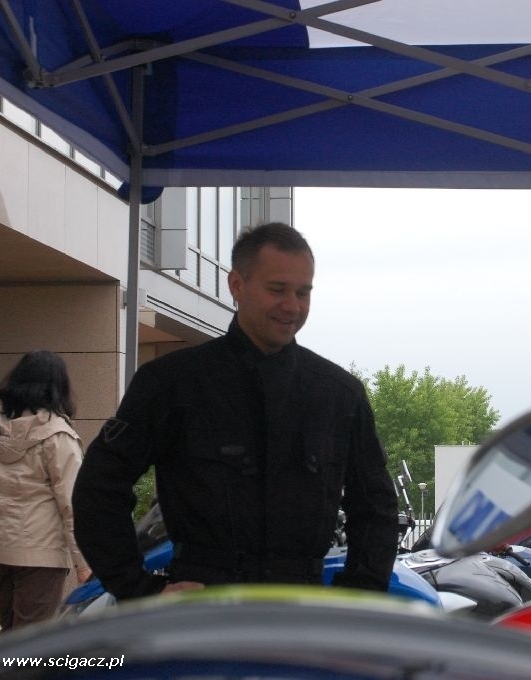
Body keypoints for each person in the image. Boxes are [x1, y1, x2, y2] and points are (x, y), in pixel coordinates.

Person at [72, 222, 398, 600]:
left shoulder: (339, 395)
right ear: (237, 285)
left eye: (303, 292)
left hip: (301, 613)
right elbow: (98, 488)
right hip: (201, 612)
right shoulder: (171, 384)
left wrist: (357, 597)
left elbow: (376, 508)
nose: (292, 306)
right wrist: (140, 589)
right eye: (277, 289)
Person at [0, 350, 91, 632]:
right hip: (41, 552)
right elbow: (73, 504)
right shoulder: (58, 435)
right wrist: (83, 563)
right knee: (31, 640)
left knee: (9, 633)